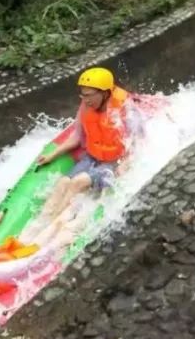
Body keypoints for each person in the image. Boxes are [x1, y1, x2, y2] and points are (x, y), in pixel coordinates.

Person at [32, 66, 131, 224]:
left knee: (78, 182)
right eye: (83, 95)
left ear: (105, 93)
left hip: (113, 162)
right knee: (63, 183)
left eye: (89, 95)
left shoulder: (124, 109)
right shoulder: (87, 107)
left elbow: (137, 141)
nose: (85, 100)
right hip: (92, 157)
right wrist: (52, 155)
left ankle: (52, 225)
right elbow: (77, 137)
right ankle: (39, 223)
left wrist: (125, 165)